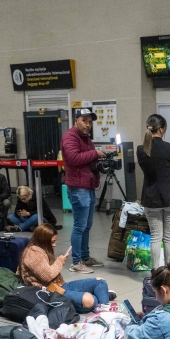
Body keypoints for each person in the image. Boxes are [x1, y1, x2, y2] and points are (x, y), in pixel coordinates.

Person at [16, 224, 114, 314]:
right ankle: (102, 298)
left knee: (100, 281)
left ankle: (104, 306)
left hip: (61, 285)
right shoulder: (32, 254)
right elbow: (48, 275)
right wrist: (60, 261)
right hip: (52, 293)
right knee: (91, 300)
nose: (54, 245)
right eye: (52, 242)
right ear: (43, 240)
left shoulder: (41, 250)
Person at [137, 114, 170, 270]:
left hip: (150, 199)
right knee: (169, 237)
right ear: (162, 129)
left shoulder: (141, 150)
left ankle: (155, 272)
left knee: (155, 237)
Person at [61, 107, 106, 274]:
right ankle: (76, 262)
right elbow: (73, 158)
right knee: (79, 226)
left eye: (90, 122)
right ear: (76, 121)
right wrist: (94, 153)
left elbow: (87, 160)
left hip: (88, 186)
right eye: (84, 121)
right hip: (78, 188)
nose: (88, 125)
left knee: (87, 226)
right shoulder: (70, 136)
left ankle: (85, 258)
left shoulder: (86, 139)